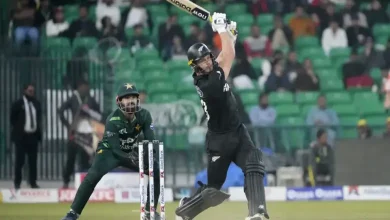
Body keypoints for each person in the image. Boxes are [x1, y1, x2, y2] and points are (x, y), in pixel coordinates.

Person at [175, 13, 269, 220]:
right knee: (213, 190)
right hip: (219, 141)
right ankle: (186, 209)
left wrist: (228, 36)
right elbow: (226, 59)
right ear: (195, 66)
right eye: (202, 61)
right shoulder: (207, 84)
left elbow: (227, 56)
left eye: (208, 57)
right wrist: (223, 31)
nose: (208, 63)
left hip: (238, 131)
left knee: (254, 164)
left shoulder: (212, 71)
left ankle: (258, 212)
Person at [61, 83, 161, 220]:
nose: (130, 101)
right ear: (118, 101)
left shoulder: (144, 115)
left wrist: (149, 153)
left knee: (155, 169)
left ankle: (149, 212)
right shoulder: (112, 119)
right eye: (126, 98)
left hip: (131, 150)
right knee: (92, 177)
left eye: (133, 97)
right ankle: (72, 213)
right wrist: (132, 157)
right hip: (109, 152)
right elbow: (115, 149)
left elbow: (151, 139)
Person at [10, 83, 41, 189]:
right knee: (20, 161)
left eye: (33, 91)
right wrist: (18, 130)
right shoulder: (18, 104)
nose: (31, 93)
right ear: (24, 91)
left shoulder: (36, 103)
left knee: (33, 161)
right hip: (21, 137)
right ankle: (17, 182)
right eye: (29, 91)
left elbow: (39, 118)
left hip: (33, 136)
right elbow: (13, 119)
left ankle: (33, 182)